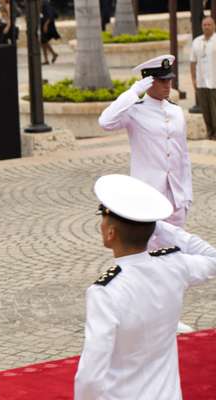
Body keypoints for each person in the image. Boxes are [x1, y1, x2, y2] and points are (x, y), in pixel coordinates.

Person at [74, 174, 216, 400]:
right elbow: (213, 258)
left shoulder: (105, 292)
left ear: (110, 234)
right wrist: (157, 226)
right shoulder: (174, 266)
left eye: (103, 219)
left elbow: (91, 375)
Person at [98, 54, 194, 333]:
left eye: (169, 80)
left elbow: (183, 157)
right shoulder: (135, 111)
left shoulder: (176, 112)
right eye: (162, 81)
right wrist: (132, 92)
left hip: (174, 199)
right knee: (147, 261)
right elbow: (105, 121)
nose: (168, 85)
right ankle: (147, 317)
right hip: (148, 200)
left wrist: (186, 194)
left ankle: (170, 318)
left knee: (173, 261)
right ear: (149, 81)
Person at [190, 16, 216, 140]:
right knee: (205, 110)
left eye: (209, 24)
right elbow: (192, 62)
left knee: (215, 109)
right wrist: (194, 79)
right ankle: (210, 133)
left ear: (214, 26)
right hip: (201, 82)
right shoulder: (196, 41)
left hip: (214, 81)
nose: (206, 27)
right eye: (204, 24)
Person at [40, 0, 59, 64]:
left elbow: (50, 15)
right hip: (44, 24)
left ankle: (51, 56)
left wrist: (46, 25)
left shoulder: (45, 3)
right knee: (43, 41)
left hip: (47, 24)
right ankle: (50, 56)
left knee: (43, 41)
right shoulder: (42, 3)